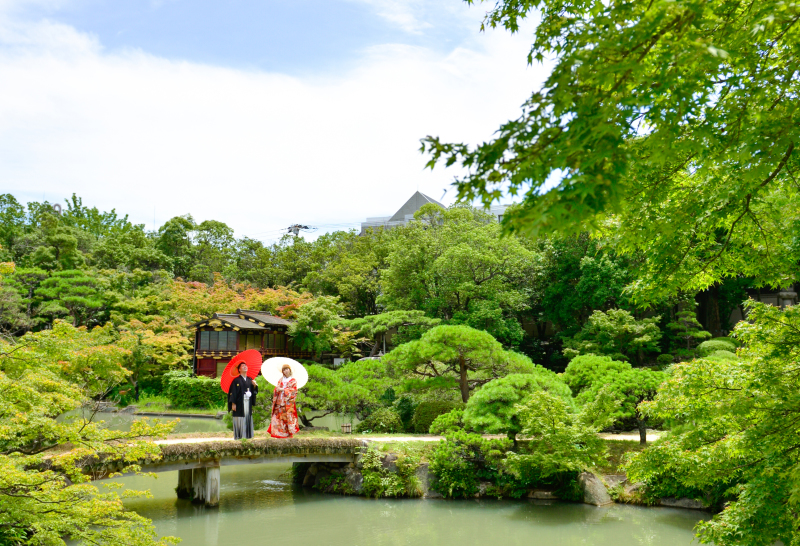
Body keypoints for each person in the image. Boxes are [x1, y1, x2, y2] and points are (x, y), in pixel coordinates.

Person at [268, 364, 299, 438]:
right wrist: (277, 389)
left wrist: (283, 390)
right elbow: (276, 389)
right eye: (284, 370)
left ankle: (288, 433)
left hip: (287, 402)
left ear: (290, 370)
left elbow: (294, 391)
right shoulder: (280, 380)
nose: (286, 371)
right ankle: (279, 433)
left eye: (287, 369)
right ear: (283, 372)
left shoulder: (293, 380)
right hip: (279, 400)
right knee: (279, 417)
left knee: (287, 417)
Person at [228, 362, 258, 440]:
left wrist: (254, 386)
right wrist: (233, 403)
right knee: (239, 418)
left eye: (246, 365)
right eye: (243, 366)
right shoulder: (236, 380)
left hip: (247, 402)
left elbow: (254, 392)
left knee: (248, 417)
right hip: (239, 403)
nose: (245, 367)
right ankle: (239, 436)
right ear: (239, 369)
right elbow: (233, 392)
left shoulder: (250, 379)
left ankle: (248, 435)